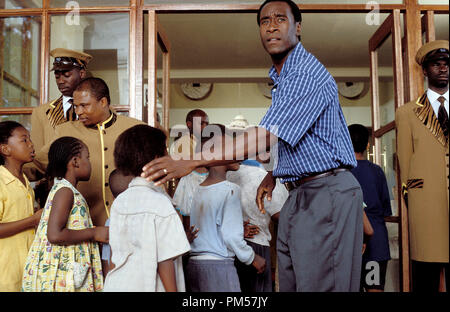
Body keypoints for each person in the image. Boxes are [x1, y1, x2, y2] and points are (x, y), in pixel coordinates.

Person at [142, 0, 362, 292]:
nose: (271, 26)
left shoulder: (305, 74)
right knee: (296, 284)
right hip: (302, 192)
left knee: (323, 286)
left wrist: (192, 161)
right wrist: (275, 175)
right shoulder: (282, 79)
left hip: (326, 192)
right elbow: (300, 138)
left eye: (280, 19)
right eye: (264, 21)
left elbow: (265, 136)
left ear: (297, 27)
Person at [33, 77, 145, 227]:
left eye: (84, 106)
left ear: (103, 102)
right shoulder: (64, 131)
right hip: (84, 227)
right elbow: (38, 164)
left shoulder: (136, 129)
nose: (78, 112)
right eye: (76, 106)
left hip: (131, 223)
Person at [103, 125, 190, 292]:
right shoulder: (161, 204)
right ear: (157, 158)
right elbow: (165, 261)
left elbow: (115, 255)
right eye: (166, 150)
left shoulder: (120, 201)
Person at [185, 124, 266, 292]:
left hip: (195, 265)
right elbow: (230, 236)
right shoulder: (231, 189)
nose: (239, 153)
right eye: (232, 148)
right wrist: (252, 258)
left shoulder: (198, 190)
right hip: (219, 267)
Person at [396, 40, 449, 292]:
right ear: (425, 71)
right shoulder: (407, 113)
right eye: (436, 64)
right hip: (427, 205)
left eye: (446, 64)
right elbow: (405, 162)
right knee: (425, 276)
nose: (442, 68)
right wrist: (414, 197)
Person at [22, 137, 108, 292]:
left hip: (67, 269)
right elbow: (54, 235)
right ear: (75, 161)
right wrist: (94, 232)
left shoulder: (65, 189)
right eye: (87, 157)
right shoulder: (65, 191)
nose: (89, 162)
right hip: (62, 274)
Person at [227, 159, 288, 292]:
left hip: (229, 247)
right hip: (257, 244)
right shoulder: (264, 176)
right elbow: (280, 215)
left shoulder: (226, 174)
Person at [348, 124, 392, 292]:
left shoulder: (341, 173)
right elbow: (386, 209)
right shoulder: (377, 171)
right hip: (376, 242)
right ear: (368, 145)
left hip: (350, 240)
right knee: (374, 288)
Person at [0, 121, 42, 291]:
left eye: (30, 139)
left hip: (27, 270)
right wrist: (32, 220)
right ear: (5, 149)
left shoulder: (25, 181)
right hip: (6, 274)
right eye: (24, 140)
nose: (31, 144)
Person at [30, 48, 92, 153]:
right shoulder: (40, 113)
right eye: (57, 77)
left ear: (81, 74)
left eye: (66, 75)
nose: (61, 81)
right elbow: (36, 156)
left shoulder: (100, 109)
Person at [100, 168, 133, 278]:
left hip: (117, 281)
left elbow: (106, 260)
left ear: (113, 198)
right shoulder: (144, 218)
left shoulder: (110, 222)